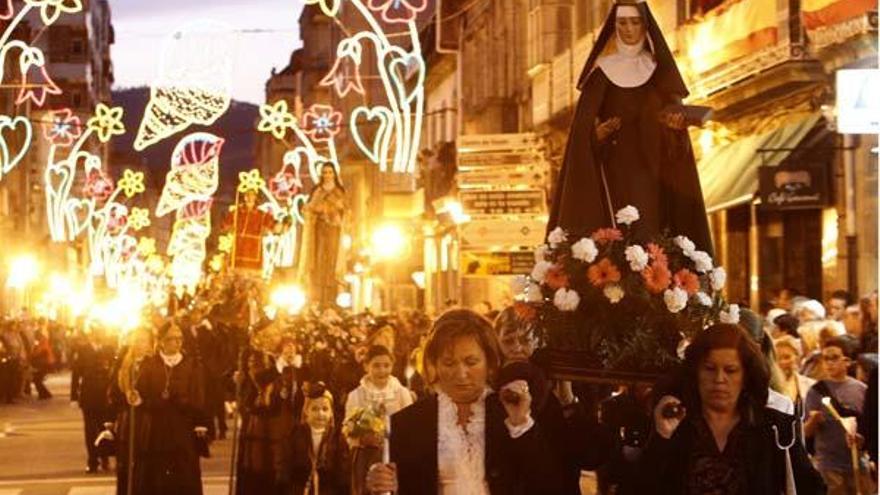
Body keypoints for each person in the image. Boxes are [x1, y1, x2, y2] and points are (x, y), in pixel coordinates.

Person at [547, 0, 712, 253]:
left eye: (635, 22)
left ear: (645, 27)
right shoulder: (601, 75)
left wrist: (676, 130)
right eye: (622, 22)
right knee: (615, 239)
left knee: (650, 236)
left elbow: (678, 147)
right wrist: (596, 136)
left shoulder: (659, 75)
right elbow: (580, 137)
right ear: (614, 27)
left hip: (653, 177)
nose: (628, 29)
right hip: (612, 175)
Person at [366, 309, 566, 494]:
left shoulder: (513, 411)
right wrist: (381, 483)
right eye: (449, 363)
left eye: (471, 362)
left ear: (490, 362)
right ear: (434, 364)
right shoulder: (407, 423)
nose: (461, 374)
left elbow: (548, 484)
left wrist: (521, 424)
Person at [643, 324, 824, 494]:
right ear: (696, 372)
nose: (719, 379)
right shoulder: (677, 426)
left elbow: (812, 488)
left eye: (730, 370)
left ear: (746, 375)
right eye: (709, 369)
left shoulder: (776, 428)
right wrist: (662, 437)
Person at [132, 322, 208, 495]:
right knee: (158, 476)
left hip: (183, 428)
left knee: (184, 474)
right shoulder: (150, 364)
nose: (177, 343)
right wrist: (142, 400)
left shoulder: (192, 364)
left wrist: (200, 422)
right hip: (157, 429)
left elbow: (199, 396)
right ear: (161, 341)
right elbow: (141, 396)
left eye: (180, 338)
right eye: (172, 339)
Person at [344, 345, 414, 495]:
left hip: (396, 458)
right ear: (366, 366)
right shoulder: (356, 395)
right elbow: (348, 430)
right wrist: (363, 439)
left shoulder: (402, 393)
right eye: (376, 366)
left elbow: (411, 429)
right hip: (366, 459)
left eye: (386, 365)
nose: (382, 370)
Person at [804, 336, 869, 494]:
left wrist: (862, 438)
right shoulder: (816, 391)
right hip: (829, 464)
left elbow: (870, 425)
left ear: (847, 361)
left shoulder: (862, 389)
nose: (829, 363)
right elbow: (806, 432)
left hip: (857, 462)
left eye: (834, 358)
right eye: (825, 358)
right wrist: (814, 420)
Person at [277, 382, 349, 494]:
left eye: (325, 409)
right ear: (306, 411)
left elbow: (342, 471)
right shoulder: (294, 434)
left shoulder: (337, 437)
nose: (320, 413)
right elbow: (285, 465)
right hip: (299, 488)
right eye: (314, 409)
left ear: (331, 413)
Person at [297, 162, 347, 307]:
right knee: (318, 260)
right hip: (319, 230)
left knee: (332, 260)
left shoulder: (339, 191)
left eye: (330, 172)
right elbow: (309, 208)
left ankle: (331, 295)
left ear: (334, 174)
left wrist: (336, 209)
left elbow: (346, 210)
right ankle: (316, 295)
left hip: (334, 230)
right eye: (325, 172)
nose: (327, 175)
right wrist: (314, 210)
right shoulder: (317, 191)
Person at [70, 324, 116, 473]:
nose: (98, 335)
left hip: (105, 395)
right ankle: (92, 461)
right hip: (89, 395)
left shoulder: (109, 349)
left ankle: (105, 457)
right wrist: (73, 396)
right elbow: (76, 373)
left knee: (105, 428)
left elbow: (115, 371)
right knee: (90, 431)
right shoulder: (83, 350)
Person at [235, 351, 280, 495]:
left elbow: (268, 407)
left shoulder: (272, 380)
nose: (251, 366)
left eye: (255, 363)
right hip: (250, 433)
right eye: (249, 363)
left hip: (268, 434)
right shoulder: (247, 380)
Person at [774, 336, 816, 415]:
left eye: (787, 357)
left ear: (797, 358)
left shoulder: (811, 385)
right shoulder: (766, 387)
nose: (782, 362)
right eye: (777, 358)